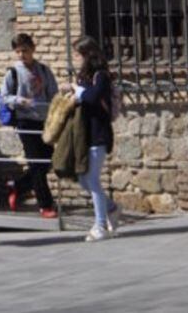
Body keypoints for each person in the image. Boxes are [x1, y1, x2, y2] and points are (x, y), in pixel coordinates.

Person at [1, 32, 59, 218]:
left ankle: (17, 186)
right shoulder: (13, 72)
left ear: (33, 49)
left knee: (47, 161)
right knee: (36, 162)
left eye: (24, 51)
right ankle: (46, 205)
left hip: (44, 122)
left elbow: (53, 94)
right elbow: (4, 97)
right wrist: (19, 100)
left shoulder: (43, 70)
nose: (21, 55)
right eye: (17, 51)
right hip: (25, 121)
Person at [71, 36, 116, 242]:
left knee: (92, 179)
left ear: (87, 55)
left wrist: (76, 90)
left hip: (99, 134)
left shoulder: (102, 76)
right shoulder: (86, 78)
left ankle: (100, 225)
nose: (76, 59)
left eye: (79, 55)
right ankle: (111, 208)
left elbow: (91, 97)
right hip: (86, 134)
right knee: (82, 178)